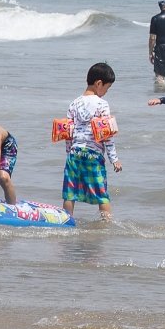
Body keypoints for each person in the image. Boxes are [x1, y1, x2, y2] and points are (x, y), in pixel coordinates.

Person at [62, 62, 121, 220]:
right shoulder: (102, 104)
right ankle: (107, 223)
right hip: (93, 155)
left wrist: (69, 152)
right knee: (102, 194)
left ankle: (67, 221)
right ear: (99, 83)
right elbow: (106, 134)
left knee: (70, 193)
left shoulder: (74, 103)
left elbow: (68, 132)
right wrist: (114, 159)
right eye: (107, 88)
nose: (106, 93)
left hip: (74, 153)